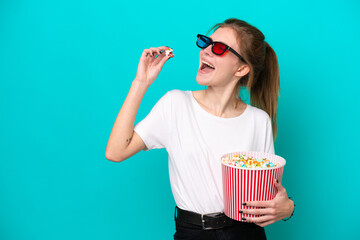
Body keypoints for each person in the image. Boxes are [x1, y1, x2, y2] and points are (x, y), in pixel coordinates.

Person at [105, 18, 295, 240]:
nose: (205, 51)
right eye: (206, 43)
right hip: (193, 233)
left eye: (219, 48)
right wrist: (141, 82)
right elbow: (115, 152)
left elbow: (268, 195)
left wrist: (288, 208)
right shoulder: (176, 104)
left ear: (242, 68)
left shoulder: (258, 121)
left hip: (246, 233)